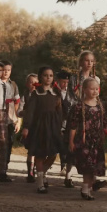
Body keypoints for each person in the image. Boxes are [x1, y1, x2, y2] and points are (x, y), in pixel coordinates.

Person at [68, 78, 107, 200]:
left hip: (97, 141)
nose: (95, 91)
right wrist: (71, 141)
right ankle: (85, 188)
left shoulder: (100, 106)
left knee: (94, 166)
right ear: (85, 90)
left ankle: (88, 189)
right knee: (87, 166)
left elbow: (105, 124)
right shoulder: (79, 106)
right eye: (92, 89)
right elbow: (73, 126)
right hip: (84, 141)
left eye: (96, 89)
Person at [21, 66, 63, 194]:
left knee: (53, 153)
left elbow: (59, 111)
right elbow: (30, 112)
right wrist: (26, 127)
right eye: (45, 75)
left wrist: (61, 126)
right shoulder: (36, 93)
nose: (48, 78)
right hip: (39, 127)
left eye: (50, 75)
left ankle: (42, 172)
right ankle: (40, 183)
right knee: (39, 154)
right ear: (40, 77)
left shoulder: (56, 93)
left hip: (53, 127)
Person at [0, 60, 21, 168]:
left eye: (8, 70)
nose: (6, 72)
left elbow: (17, 103)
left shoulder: (13, 85)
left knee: (8, 144)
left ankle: (3, 170)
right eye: (4, 70)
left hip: (9, 120)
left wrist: (17, 120)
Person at [56, 70, 76, 188]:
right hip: (57, 123)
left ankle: (67, 173)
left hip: (69, 124)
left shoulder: (72, 94)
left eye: (67, 82)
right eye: (63, 82)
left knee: (68, 148)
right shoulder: (54, 92)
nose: (65, 84)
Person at [18, 73, 38, 183]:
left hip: (39, 125)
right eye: (30, 82)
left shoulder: (41, 94)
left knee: (40, 150)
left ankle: (40, 171)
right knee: (31, 150)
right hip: (29, 126)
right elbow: (19, 111)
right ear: (27, 84)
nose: (33, 84)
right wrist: (26, 112)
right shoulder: (25, 96)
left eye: (35, 82)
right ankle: (30, 172)